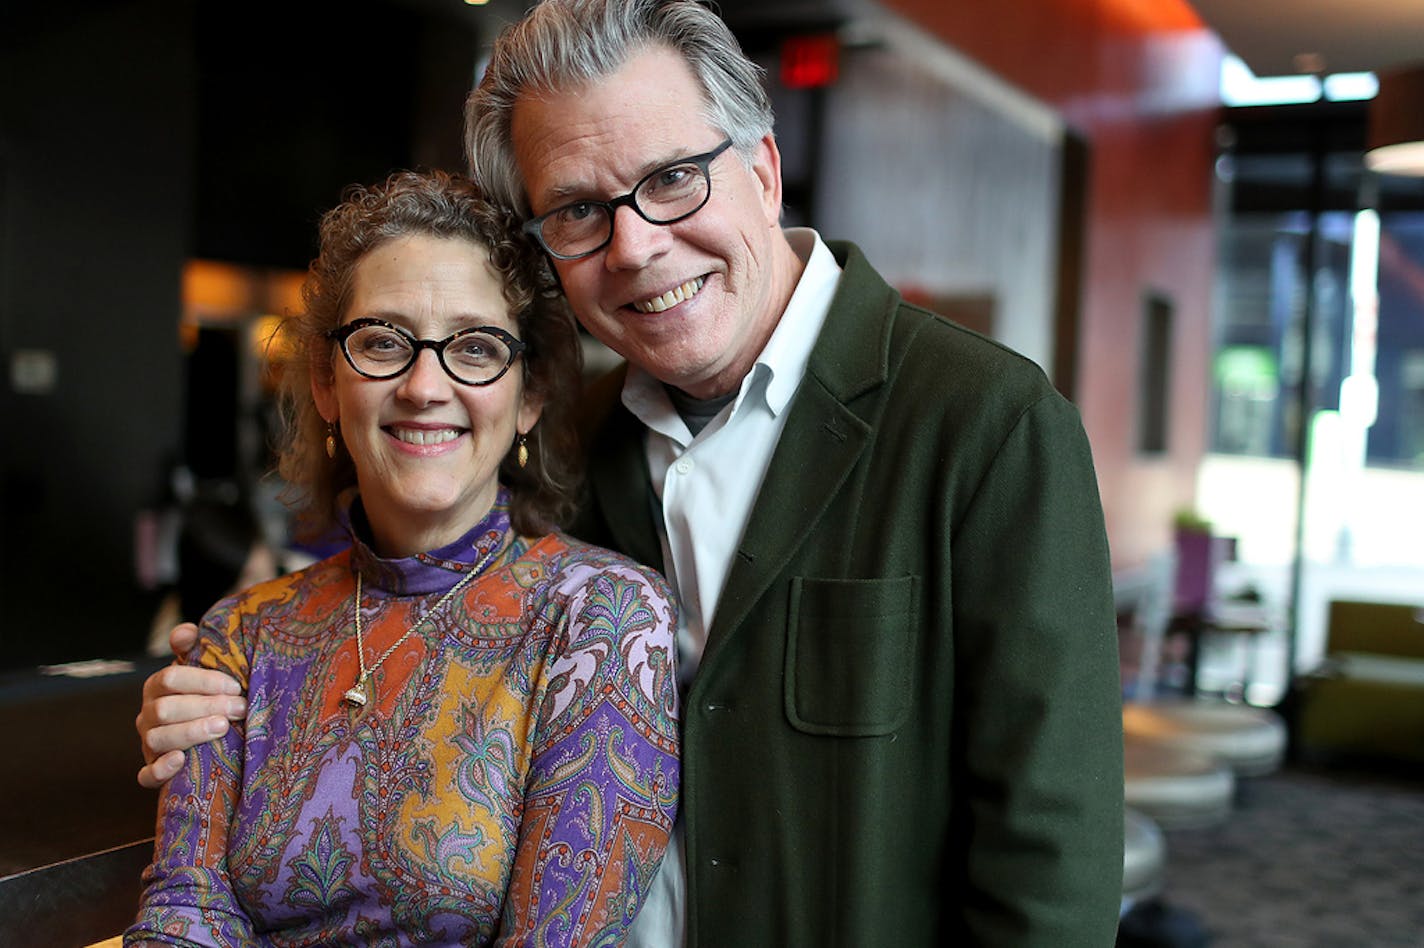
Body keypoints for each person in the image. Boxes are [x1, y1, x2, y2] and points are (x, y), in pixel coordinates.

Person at [137, 1, 1124, 944]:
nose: (638, 247)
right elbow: (441, 657)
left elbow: (1049, 859)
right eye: (576, 211)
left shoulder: (983, 423)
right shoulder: (575, 438)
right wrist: (220, 709)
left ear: (764, 170)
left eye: (670, 181)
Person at [127, 170, 680, 946]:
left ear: (528, 395)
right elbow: (186, 911)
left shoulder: (600, 620)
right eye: (383, 341)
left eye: (476, 347)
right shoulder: (245, 631)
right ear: (325, 382)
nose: (426, 386)